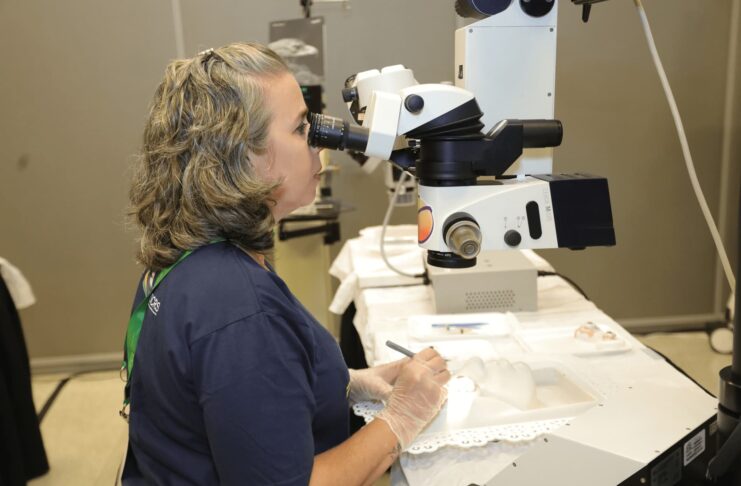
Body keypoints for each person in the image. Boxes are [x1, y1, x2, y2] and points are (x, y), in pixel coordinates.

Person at [122, 42, 450, 485]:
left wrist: (342, 382)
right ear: (239, 156)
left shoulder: (193, 256)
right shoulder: (239, 306)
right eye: (300, 128)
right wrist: (402, 418)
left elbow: (227, 392)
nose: (319, 143)